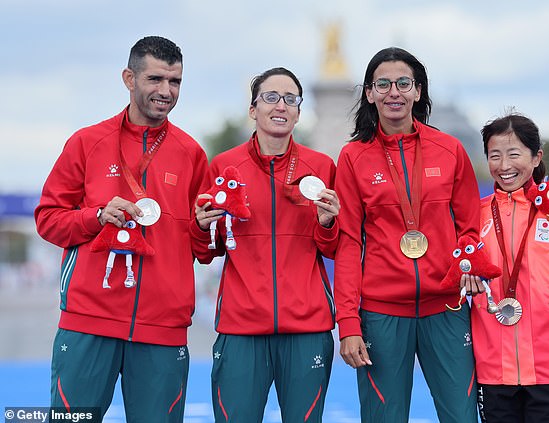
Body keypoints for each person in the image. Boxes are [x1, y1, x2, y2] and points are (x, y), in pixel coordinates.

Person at [34, 36, 210, 422]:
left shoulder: (192, 153)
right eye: (155, 79)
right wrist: (95, 217)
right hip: (88, 322)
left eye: (175, 81)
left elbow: (204, 249)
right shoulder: (86, 143)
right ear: (129, 78)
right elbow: (48, 219)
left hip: (162, 329)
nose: (166, 91)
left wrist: (204, 228)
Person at [334, 47, 481, 422]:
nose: (393, 92)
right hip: (382, 314)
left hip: (446, 310)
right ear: (369, 93)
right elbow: (349, 243)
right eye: (382, 84)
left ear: (418, 91)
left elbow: (470, 229)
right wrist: (349, 323)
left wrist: (469, 266)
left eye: (403, 83)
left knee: (462, 416)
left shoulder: (450, 150)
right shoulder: (352, 157)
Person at [192, 67, 340, 422]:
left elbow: (334, 249)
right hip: (241, 328)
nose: (281, 105)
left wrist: (329, 223)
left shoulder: (321, 167)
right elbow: (205, 251)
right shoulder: (224, 166)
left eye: (291, 99)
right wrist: (200, 227)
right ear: (253, 110)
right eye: (271, 97)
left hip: (307, 329)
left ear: (300, 111)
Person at [464, 113, 549, 422]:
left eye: (514, 154)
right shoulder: (476, 215)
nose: (504, 165)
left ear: (536, 156)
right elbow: (458, 271)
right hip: (494, 368)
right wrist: (465, 279)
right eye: (494, 155)